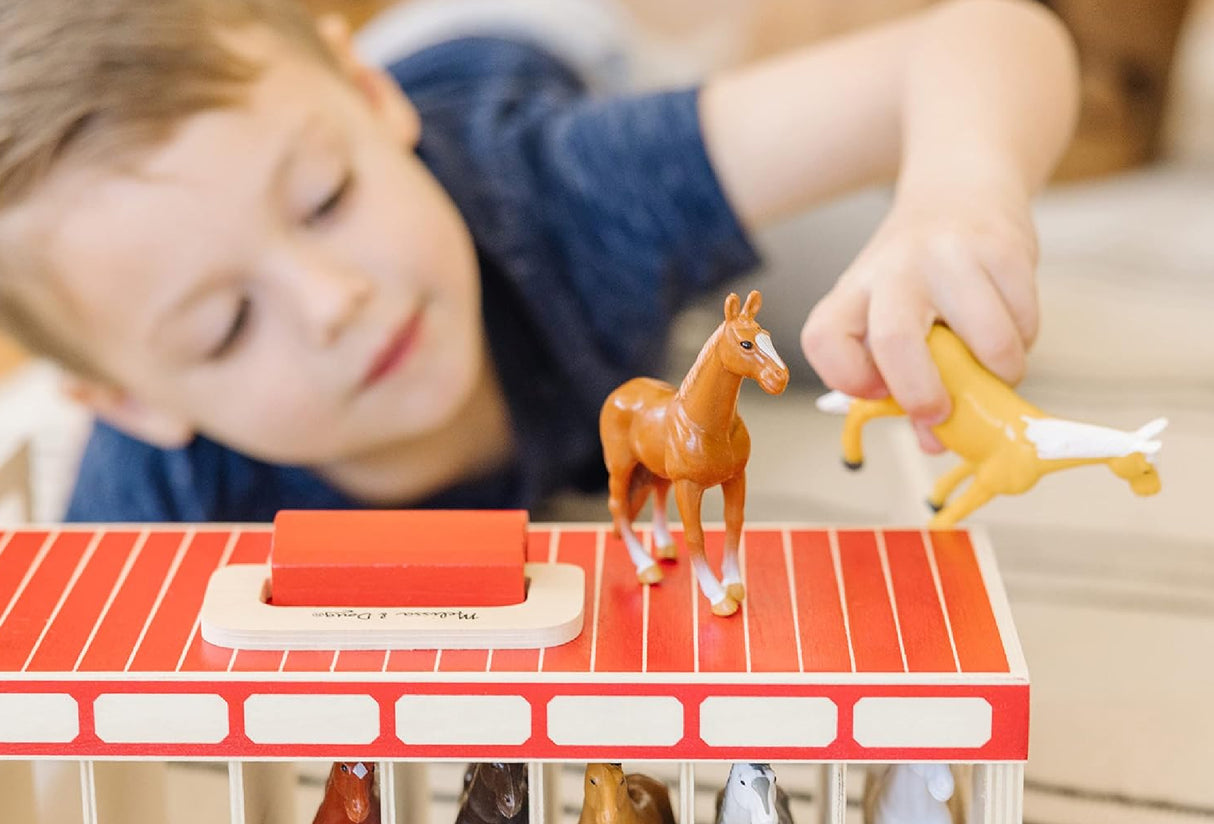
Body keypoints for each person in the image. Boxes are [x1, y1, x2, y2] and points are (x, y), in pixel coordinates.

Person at [0, 0, 1078, 523]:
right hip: (344, 99)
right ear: (125, 397)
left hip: (529, 56)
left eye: (326, 201)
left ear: (374, 112)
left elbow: (982, 34)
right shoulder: (152, 500)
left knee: (860, 285)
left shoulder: (574, 192)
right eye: (223, 327)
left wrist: (955, 196)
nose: (336, 302)